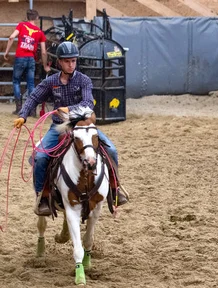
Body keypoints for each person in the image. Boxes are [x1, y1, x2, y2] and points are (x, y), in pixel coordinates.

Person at [13, 41, 129, 216]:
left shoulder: (84, 80)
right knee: (41, 157)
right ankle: (42, 197)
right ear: (59, 62)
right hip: (59, 127)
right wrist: (23, 115)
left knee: (111, 150)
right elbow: (34, 97)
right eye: (67, 61)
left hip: (83, 126)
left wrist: (71, 110)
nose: (71, 64)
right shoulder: (51, 82)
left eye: (73, 61)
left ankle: (115, 189)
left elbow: (88, 103)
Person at [3, 9, 51, 116]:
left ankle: (19, 108)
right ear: (37, 18)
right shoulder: (40, 32)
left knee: (16, 82)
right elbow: (43, 52)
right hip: (31, 59)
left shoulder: (21, 25)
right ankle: (32, 110)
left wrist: (6, 52)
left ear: (27, 17)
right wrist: (45, 65)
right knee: (31, 84)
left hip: (20, 57)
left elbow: (11, 37)